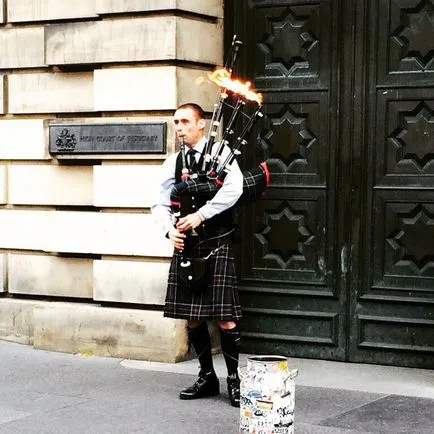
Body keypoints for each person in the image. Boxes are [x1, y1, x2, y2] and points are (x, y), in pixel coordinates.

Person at [151, 103, 244, 407]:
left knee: (226, 319)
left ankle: (234, 380)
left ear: (201, 124)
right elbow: (159, 202)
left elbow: (235, 189)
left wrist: (202, 214)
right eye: (176, 122)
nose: (179, 127)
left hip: (216, 243)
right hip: (188, 247)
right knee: (192, 319)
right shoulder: (173, 162)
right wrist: (169, 231)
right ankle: (207, 377)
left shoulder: (222, 153)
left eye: (185, 122)